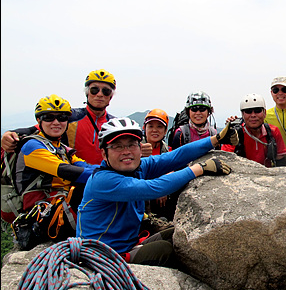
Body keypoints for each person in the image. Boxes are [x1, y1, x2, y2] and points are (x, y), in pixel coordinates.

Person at [76, 117, 238, 267]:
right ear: (104, 153)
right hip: (102, 255)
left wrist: (215, 140)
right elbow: (153, 188)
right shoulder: (103, 180)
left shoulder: (137, 167)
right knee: (164, 250)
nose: (126, 151)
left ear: (140, 148)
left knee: (178, 234)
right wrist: (197, 169)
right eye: (117, 146)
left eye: (132, 144)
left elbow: (174, 157)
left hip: (127, 244)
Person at [1, 68, 152, 162]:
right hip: (72, 183)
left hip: (105, 182)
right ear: (87, 93)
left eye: (105, 91)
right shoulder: (68, 117)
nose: (99, 94)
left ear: (111, 97)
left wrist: (140, 150)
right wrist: (10, 134)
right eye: (94, 90)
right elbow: (36, 129)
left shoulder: (114, 124)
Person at [12, 94, 99, 248]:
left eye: (62, 118)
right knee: (94, 186)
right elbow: (65, 171)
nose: (56, 122)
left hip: (60, 209)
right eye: (48, 117)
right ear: (39, 121)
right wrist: (108, 175)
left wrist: (113, 170)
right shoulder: (31, 146)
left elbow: (85, 166)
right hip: (45, 217)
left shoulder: (61, 148)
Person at [221, 93, 286, 167]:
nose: (253, 115)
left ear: (264, 113)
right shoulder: (234, 134)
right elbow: (225, 160)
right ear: (242, 115)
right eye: (248, 111)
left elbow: (280, 160)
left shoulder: (273, 132)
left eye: (257, 110)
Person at [141, 108, 175, 220]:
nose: (155, 130)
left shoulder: (165, 150)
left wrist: (163, 187)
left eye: (159, 127)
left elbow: (170, 169)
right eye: (150, 126)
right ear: (144, 128)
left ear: (165, 131)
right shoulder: (135, 148)